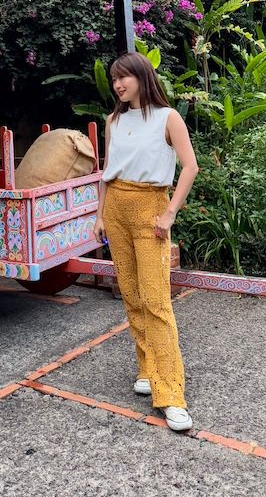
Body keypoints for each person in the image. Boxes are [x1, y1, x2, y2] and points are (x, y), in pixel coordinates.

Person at [93, 51, 199, 431]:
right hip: (116, 209)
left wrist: (170, 213)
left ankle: (171, 393)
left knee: (156, 300)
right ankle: (147, 368)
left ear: (141, 76)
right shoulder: (113, 120)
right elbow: (107, 172)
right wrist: (99, 215)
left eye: (123, 77)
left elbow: (190, 166)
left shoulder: (167, 117)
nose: (117, 84)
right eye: (113, 78)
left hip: (151, 208)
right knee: (132, 294)